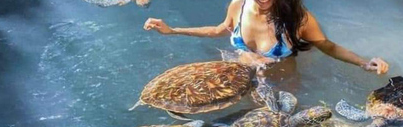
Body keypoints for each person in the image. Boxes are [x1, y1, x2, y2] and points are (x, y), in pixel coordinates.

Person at [143, 0, 389, 74]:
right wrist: (173, 30)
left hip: (280, 75)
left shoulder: (298, 18)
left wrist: (363, 63)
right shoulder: (238, 5)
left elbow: (327, 46)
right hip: (241, 71)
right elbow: (220, 30)